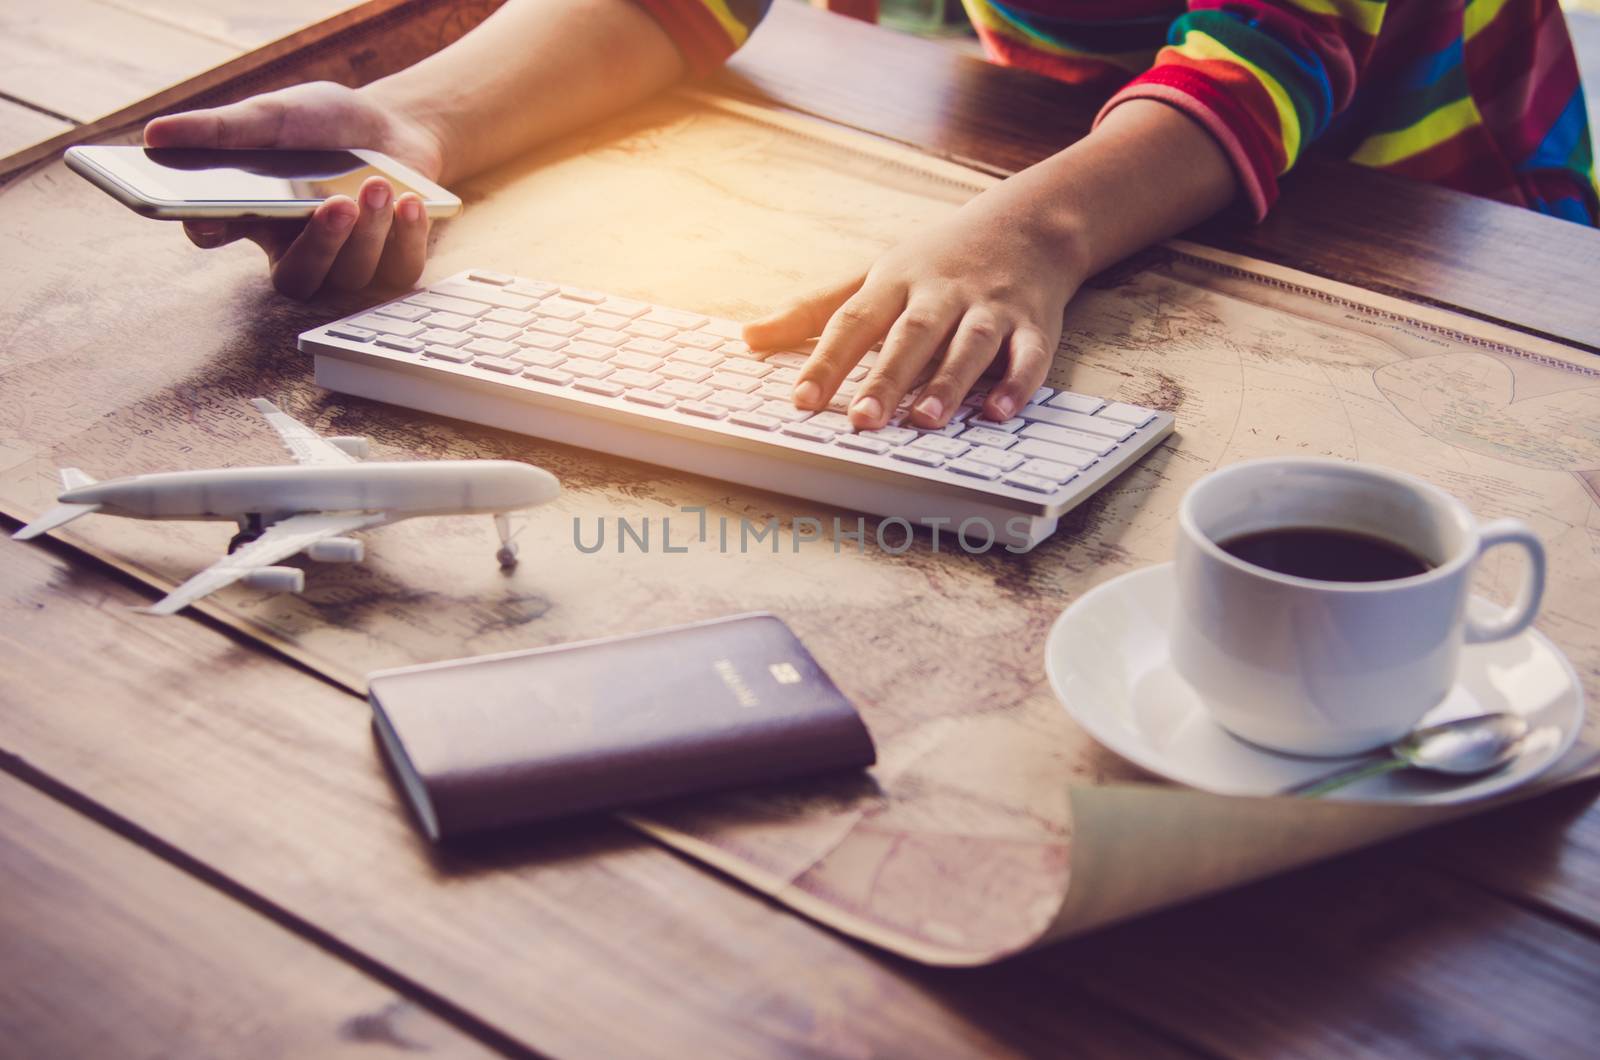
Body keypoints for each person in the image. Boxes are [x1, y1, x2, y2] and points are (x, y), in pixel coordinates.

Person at [145, 0, 1597, 433]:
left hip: (1446, 255)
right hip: (1094, 171)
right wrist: (422, 120)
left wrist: (1030, 233)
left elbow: (1267, 55)